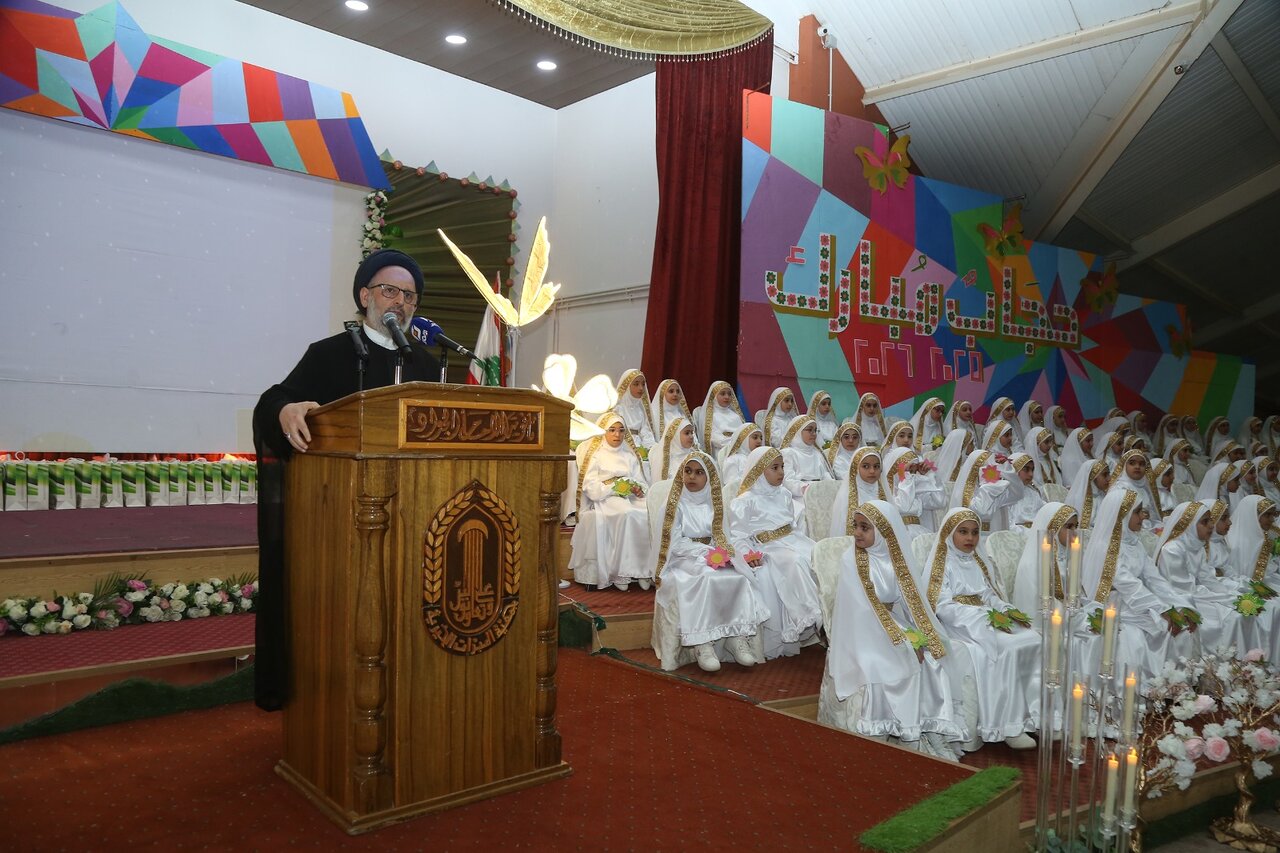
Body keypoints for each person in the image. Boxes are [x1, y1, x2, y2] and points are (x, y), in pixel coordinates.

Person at [251, 248, 441, 712]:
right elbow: (274, 400)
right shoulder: (331, 354)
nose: (400, 302)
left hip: (414, 519)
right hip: (339, 521)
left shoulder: (426, 365)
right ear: (365, 297)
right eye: (390, 291)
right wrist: (285, 409)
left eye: (409, 296)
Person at [819, 500, 968, 759]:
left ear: (884, 531)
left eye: (865, 528)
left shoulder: (895, 558)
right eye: (856, 526)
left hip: (891, 622)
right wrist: (904, 641)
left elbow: (910, 602)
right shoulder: (851, 560)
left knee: (934, 657)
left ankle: (932, 729)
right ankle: (909, 734)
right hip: (861, 629)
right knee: (901, 661)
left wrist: (923, 636)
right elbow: (863, 609)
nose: (857, 533)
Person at [923, 508, 1040, 750]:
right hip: (960, 625)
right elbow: (942, 606)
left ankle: (1034, 716)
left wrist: (1006, 609)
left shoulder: (976, 561)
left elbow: (988, 594)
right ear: (950, 534)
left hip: (986, 620)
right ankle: (1009, 725)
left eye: (975, 533)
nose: (970, 538)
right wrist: (983, 617)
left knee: (1033, 638)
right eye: (963, 532)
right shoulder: (942, 563)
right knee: (1008, 648)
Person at [651, 451, 770, 672]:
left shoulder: (714, 504)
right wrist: (703, 552)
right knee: (705, 578)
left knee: (738, 576)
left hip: (712, 556)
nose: (691, 477)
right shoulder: (674, 505)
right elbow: (673, 544)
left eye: (699, 473)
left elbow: (722, 536)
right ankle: (702, 643)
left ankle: (735, 636)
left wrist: (729, 555)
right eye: (688, 471)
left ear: (710, 477)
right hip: (682, 559)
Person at [1082, 490, 1197, 679]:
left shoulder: (1135, 544)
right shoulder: (1107, 547)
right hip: (1114, 605)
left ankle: (1173, 684)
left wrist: (1178, 605)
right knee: (1143, 636)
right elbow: (1128, 584)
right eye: (1137, 511)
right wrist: (1163, 609)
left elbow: (1154, 579)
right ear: (1122, 515)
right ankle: (1150, 686)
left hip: (1137, 602)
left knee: (1180, 626)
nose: (1143, 516)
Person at [727, 447, 823, 659]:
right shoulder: (745, 501)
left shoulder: (785, 494)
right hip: (768, 548)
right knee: (795, 562)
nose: (781, 472)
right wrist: (748, 554)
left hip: (794, 540)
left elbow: (793, 526)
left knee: (818, 557)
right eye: (775, 468)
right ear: (759, 471)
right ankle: (814, 616)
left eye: (782, 467)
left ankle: (828, 610)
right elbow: (738, 536)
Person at [1155, 501, 1259, 657]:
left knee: (1239, 612)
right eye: (1205, 522)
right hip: (1179, 601)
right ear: (1188, 524)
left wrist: (1234, 598)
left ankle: (1239, 662)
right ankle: (1218, 662)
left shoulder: (1198, 547)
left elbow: (1208, 580)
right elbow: (1184, 589)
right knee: (1228, 619)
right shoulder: (1173, 550)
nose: (1211, 525)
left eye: (1210, 520)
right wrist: (1228, 600)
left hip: (1196, 596)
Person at [569, 413, 651, 591]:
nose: (617, 435)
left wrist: (638, 488)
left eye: (621, 431)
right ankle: (621, 572)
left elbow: (642, 481)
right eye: (612, 430)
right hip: (606, 497)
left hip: (631, 496)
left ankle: (643, 571)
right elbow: (590, 486)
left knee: (647, 514)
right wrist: (614, 488)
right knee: (626, 513)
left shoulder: (629, 455)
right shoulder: (596, 455)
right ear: (603, 432)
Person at [950, 449, 1024, 533]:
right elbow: (982, 512)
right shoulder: (965, 495)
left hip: (998, 535)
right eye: (988, 468)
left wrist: (1005, 469)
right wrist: (989, 486)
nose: (993, 471)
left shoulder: (997, 489)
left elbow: (1018, 493)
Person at [882, 446, 946, 537]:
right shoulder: (884, 493)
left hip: (919, 534)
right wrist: (904, 476)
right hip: (898, 534)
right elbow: (904, 506)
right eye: (907, 470)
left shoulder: (913, 488)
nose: (910, 474)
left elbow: (940, 502)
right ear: (894, 468)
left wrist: (930, 474)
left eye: (913, 470)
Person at [1224, 495, 1280, 589]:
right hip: (1237, 588)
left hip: (1263, 584)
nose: (1272, 519)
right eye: (1267, 515)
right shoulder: (1229, 541)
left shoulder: (1266, 537)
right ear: (1252, 515)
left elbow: (1269, 571)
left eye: (1273, 515)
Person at [830, 447, 888, 537]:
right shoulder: (846, 497)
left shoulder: (885, 493)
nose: (872, 471)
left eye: (876, 466)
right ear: (856, 468)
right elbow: (841, 532)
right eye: (866, 466)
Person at [693, 380, 747, 453]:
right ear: (714, 396)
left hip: (740, 449)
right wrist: (734, 445)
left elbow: (744, 434)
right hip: (720, 451)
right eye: (722, 394)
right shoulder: (710, 417)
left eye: (729, 394)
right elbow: (714, 438)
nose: (727, 397)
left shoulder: (736, 416)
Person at [615, 369, 656, 447]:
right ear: (627, 386)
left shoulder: (641, 411)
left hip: (639, 446)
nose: (641, 388)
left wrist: (651, 448)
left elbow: (646, 433)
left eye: (643, 384)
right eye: (636, 384)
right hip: (622, 446)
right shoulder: (617, 409)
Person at [650, 417, 697, 484]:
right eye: (687, 433)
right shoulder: (666, 459)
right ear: (675, 435)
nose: (691, 436)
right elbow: (660, 486)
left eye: (692, 433)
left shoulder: (696, 455)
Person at [1066, 459, 1110, 528]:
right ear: (1092, 477)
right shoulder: (1076, 499)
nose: (1109, 478)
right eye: (1104, 475)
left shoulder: (1105, 496)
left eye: (1108, 474)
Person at [650, 379, 694, 448]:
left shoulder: (682, 415)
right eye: (671, 391)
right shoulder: (654, 415)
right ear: (662, 394)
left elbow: (693, 437)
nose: (675, 394)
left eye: (678, 391)